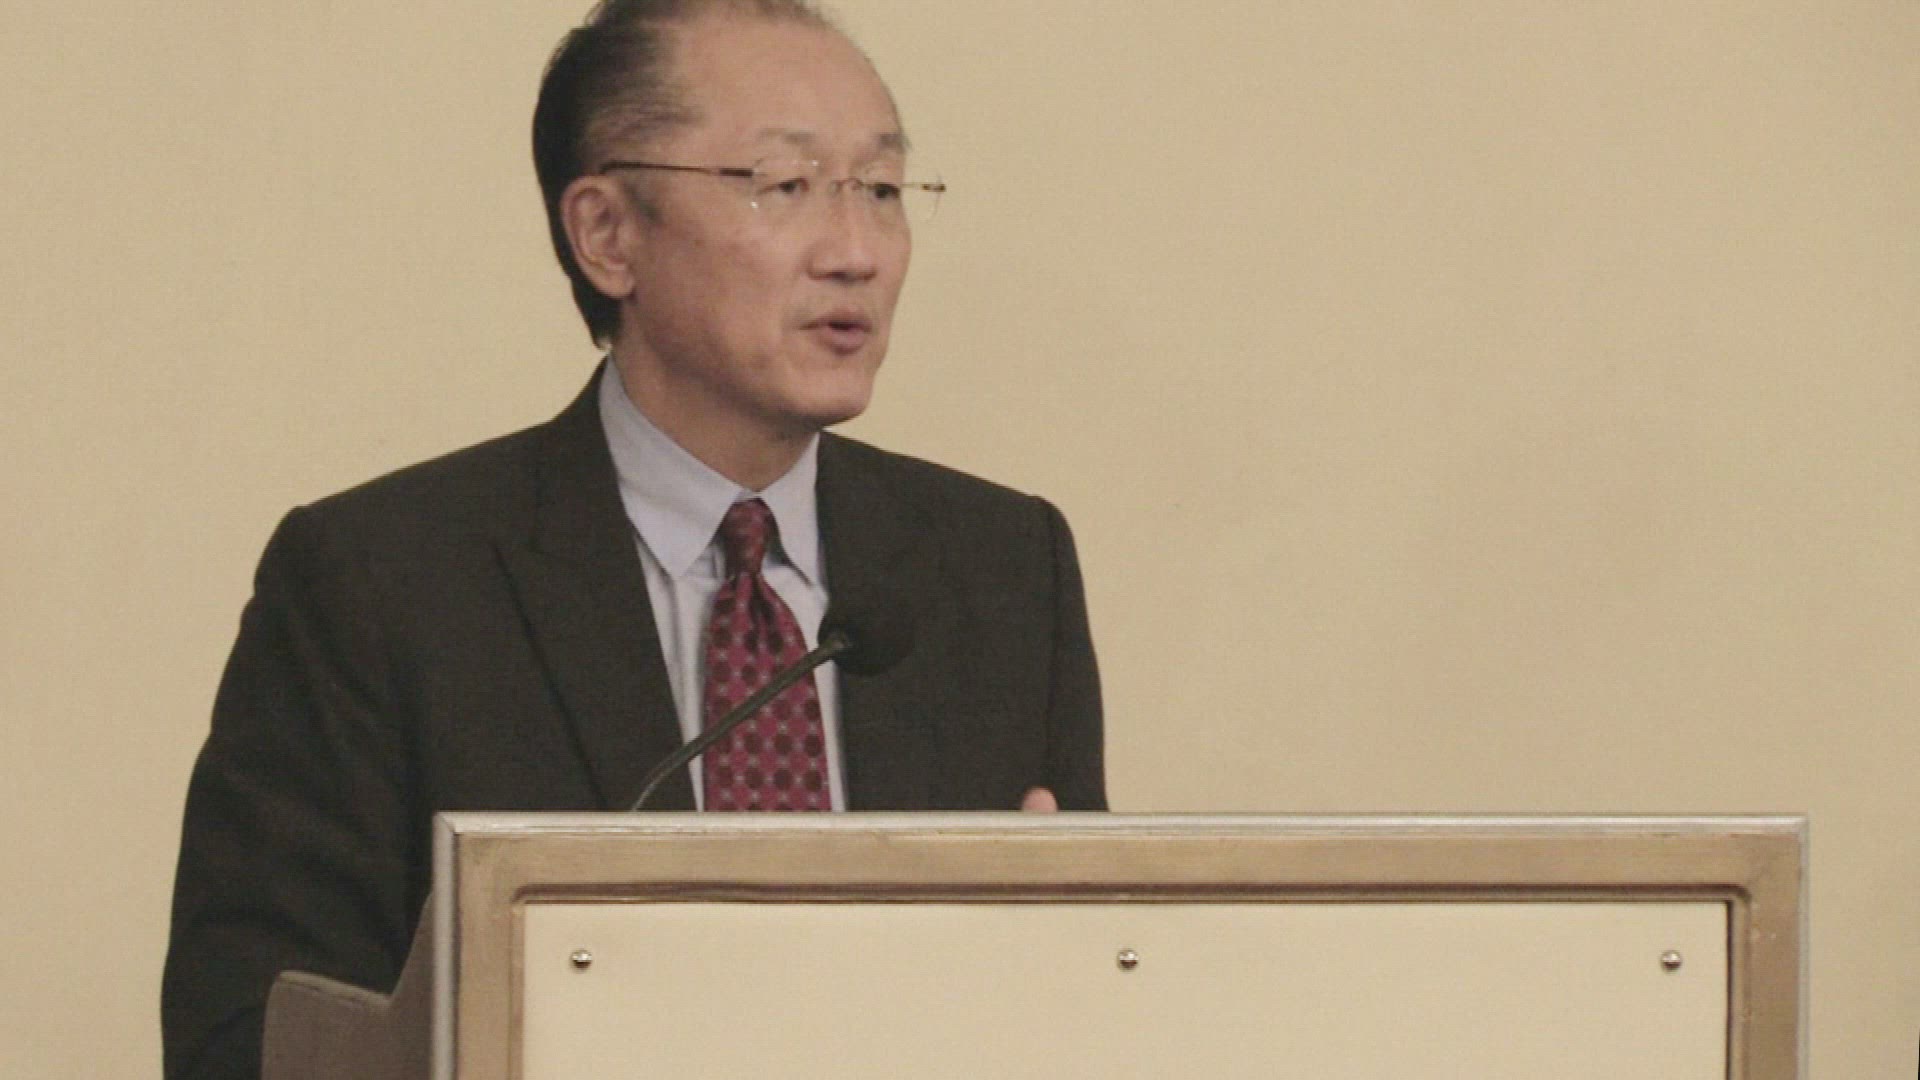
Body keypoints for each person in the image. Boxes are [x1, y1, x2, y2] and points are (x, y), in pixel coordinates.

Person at [160, 1, 1105, 1076]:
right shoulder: (382, 584)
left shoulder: (1002, 569)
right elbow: (246, 1042)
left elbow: (1099, 1004)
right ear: (608, 235)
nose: (856, 252)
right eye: (785, 185)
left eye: (882, 189)